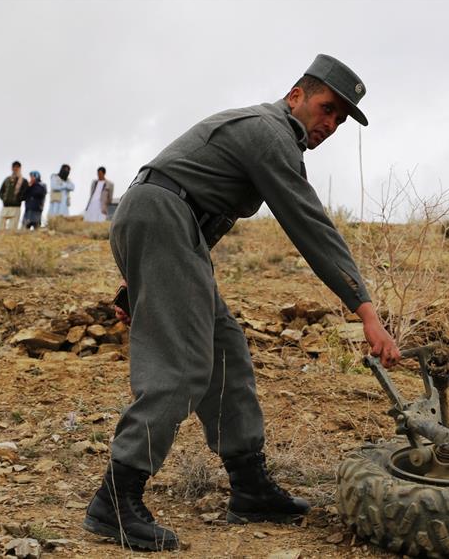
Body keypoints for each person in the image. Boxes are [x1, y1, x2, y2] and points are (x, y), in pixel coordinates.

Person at [84, 54, 401, 551]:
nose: (331, 124)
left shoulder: (267, 133)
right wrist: (365, 310)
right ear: (296, 95)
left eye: (340, 118)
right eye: (327, 108)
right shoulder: (270, 133)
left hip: (171, 224)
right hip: (162, 219)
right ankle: (115, 501)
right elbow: (310, 225)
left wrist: (136, 287)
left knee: (225, 349)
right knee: (184, 365)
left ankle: (250, 487)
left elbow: (195, 205)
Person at [0, 161, 27, 231]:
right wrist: (4, 198)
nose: (15, 169)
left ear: (20, 168)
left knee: (12, 229)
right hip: (5, 206)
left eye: (17, 167)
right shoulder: (7, 179)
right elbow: (1, 191)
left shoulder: (23, 181)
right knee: (1, 226)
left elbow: (26, 193)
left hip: (16, 207)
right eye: (14, 167)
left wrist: (18, 199)